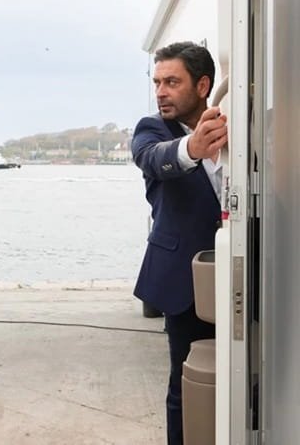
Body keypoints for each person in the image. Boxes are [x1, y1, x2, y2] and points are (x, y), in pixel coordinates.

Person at [131, 41, 227, 445]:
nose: (161, 92)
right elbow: (152, 158)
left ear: (202, 85)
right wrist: (192, 148)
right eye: (157, 82)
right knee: (185, 384)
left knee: (242, 374)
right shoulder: (151, 129)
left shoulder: (236, 127)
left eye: (172, 82)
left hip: (242, 274)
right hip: (185, 281)